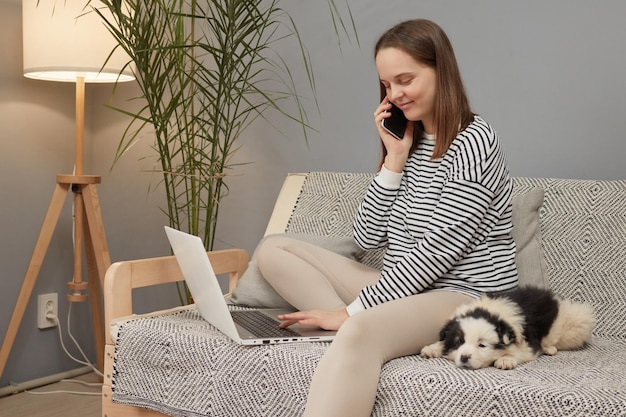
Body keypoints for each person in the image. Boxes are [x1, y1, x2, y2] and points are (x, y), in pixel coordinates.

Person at [256, 18, 518, 417]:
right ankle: (354, 330)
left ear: (440, 70)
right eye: (387, 85)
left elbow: (437, 252)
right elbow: (365, 237)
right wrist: (394, 159)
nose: (395, 95)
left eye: (405, 79)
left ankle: (354, 330)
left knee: (358, 326)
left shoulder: (474, 140)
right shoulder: (408, 141)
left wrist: (351, 312)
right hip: (410, 289)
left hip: (464, 296)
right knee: (273, 250)